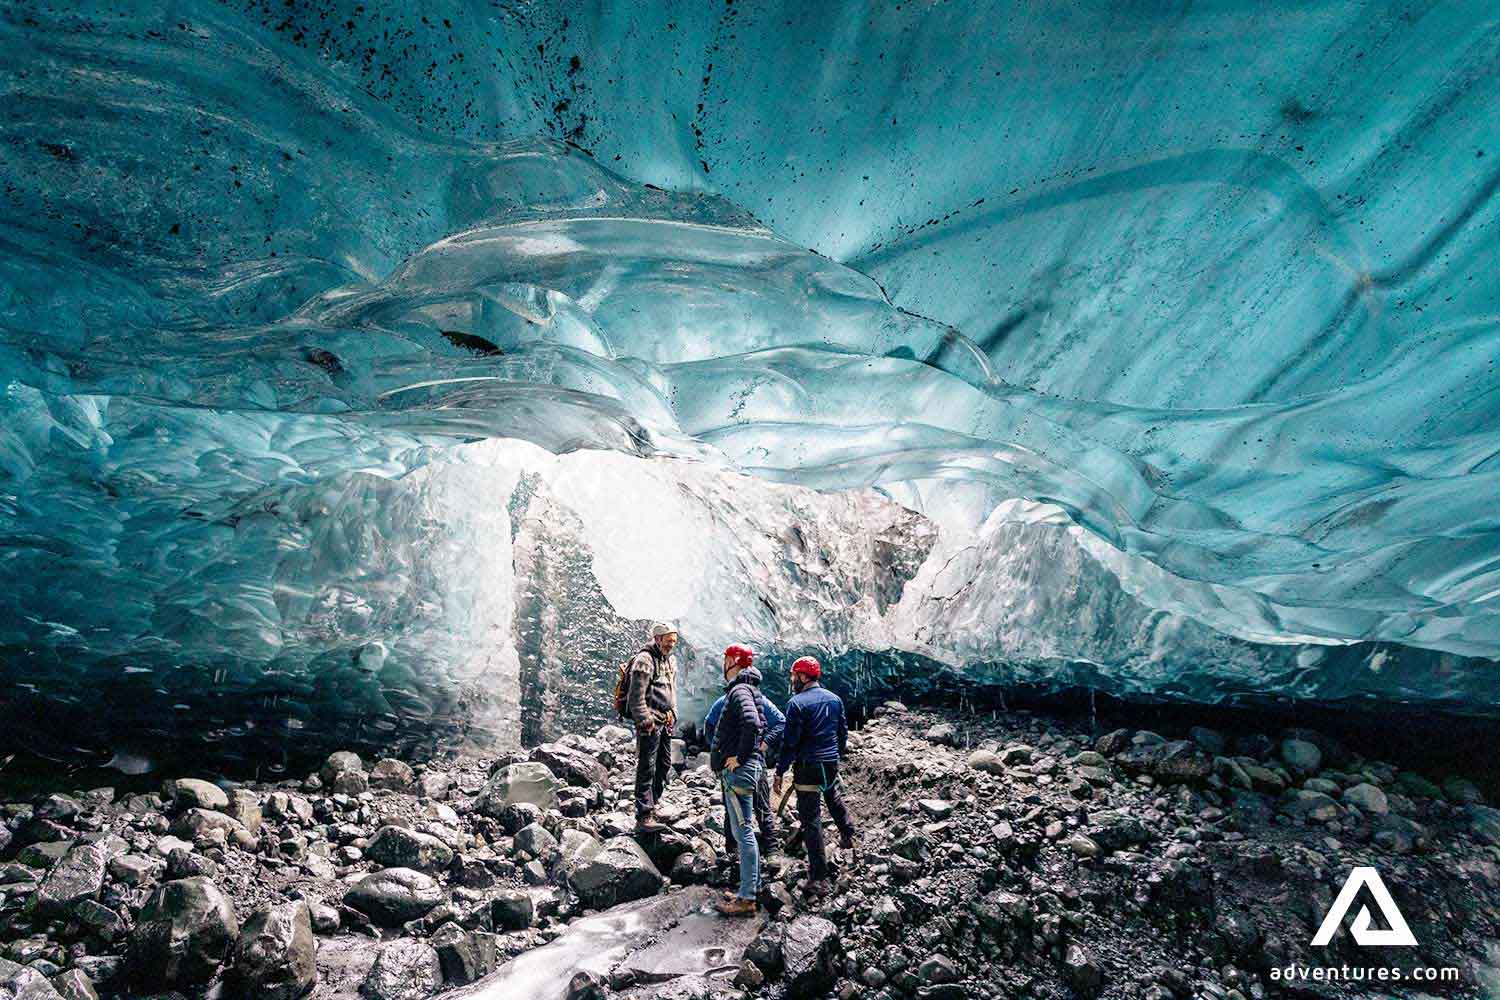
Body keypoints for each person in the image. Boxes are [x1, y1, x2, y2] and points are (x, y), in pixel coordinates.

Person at [774, 655, 855, 895]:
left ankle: (819, 876)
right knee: (832, 796)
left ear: (802, 676)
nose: (792, 680)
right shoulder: (835, 699)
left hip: (808, 765)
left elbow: (790, 743)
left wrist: (780, 770)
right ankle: (848, 835)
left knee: (811, 818)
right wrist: (835, 755)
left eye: (793, 675)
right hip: (829, 762)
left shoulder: (796, 703)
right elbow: (842, 731)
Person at [703, 645, 785, 856]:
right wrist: (762, 744)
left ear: (731, 662)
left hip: (734, 763)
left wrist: (720, 753)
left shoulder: (727, 699)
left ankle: (734, 853)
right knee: (762, 806)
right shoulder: (759, 698)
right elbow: (780, 722)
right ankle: (772, 853)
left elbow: (709, 726)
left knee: (733, 810)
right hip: (756, 762)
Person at [710, 644, 766, 916]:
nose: (723, 663)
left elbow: (752, 723)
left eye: (724, 658)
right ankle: (749, 888)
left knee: (743, 833)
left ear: (733, 660)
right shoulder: (750, 688)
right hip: (748, 768)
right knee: (744, 831)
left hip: (740, 771)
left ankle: (746, 898)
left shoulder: (740, 690)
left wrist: (740, 757)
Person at [627, 622, 679, 832]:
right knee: (647, 766)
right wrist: (644, 720)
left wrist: (673, 712)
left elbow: (672, 690)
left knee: (664, 765)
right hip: (650, 723)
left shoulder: (669, 660)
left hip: (664, 721)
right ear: (657, 639)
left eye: (674, 641)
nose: (671, 645)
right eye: (668, 641)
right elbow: (635, 696)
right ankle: (644, 814)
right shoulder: (644, 660)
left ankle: (652, 804)